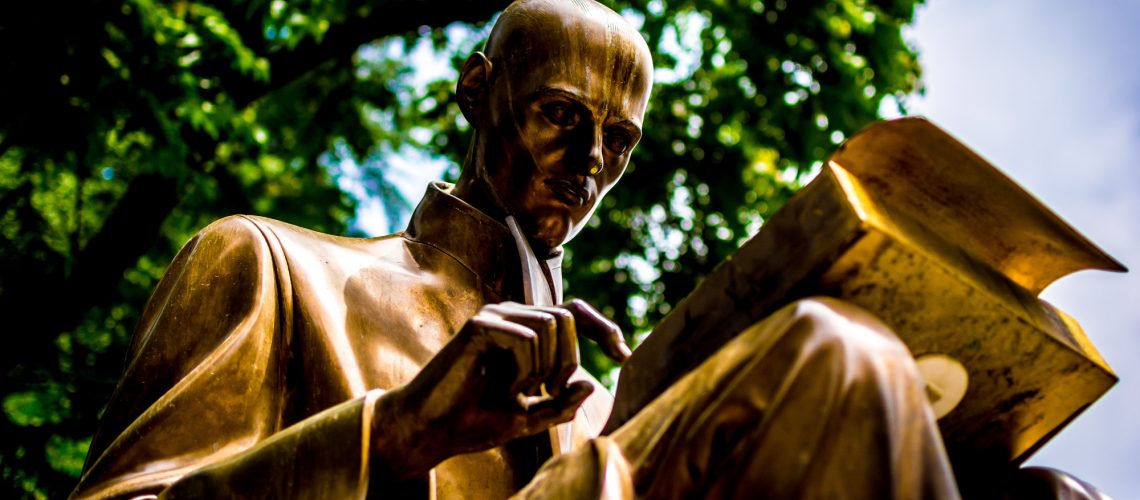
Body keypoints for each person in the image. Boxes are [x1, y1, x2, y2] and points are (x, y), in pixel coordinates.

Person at [72, 1, 1105, 498]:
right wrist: (397, 431)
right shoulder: (270, 266)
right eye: (563, 117)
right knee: (838, 354)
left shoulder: (618, 409)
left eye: (620, 141)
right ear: (477, 90)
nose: (590, 164)